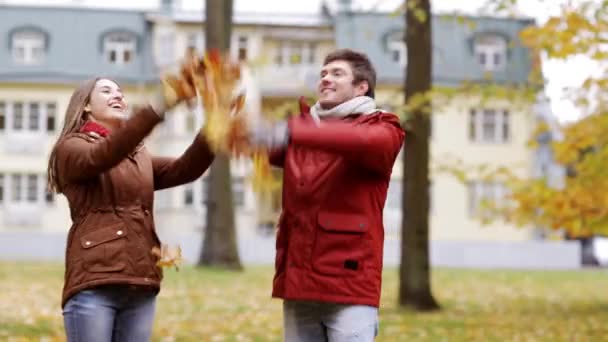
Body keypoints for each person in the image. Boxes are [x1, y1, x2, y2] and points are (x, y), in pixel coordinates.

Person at [248, 49, 405, 341]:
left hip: (350, 285)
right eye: (322, 74)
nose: (326, 79)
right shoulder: (305, 132)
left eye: (337, 73)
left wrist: (292, 131)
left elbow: (358, 141)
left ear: (362, 87)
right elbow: (261, 147)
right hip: (299, 283)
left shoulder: (383, 129)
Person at [47, 76, 213, 342]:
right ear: (86, 106)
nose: (118, 96)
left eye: (121, 92)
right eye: (106, 90)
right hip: (94, 282)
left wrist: (214, 129)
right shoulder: (72, 147)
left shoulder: (138, 156)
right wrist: (158, 107)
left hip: (140, 283)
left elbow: (185, 169)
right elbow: (104, 154)